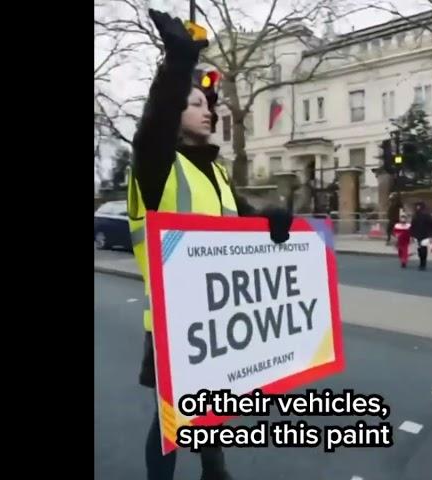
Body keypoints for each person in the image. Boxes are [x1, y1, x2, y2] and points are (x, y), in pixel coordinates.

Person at [126, 10, 293, 480]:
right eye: (195, 102)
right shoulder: (157, 167)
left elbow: (245, 221)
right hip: (172, 325)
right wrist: (178, 62)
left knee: (210, 415)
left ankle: (215, 473)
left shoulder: (215, 173)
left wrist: (274, 221)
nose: (210, 109)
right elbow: (153, 125)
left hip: (215, 323)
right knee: (171, 424)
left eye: (211, 103)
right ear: (175, 116)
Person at [410, 201, 432, 271]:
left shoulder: (427, 215)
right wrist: (411, 235)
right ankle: (421, 261)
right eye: (416, 206)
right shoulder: (415, 215)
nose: (417, 207)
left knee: (423, 249)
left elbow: (431, 225)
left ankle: (423, 263)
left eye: (418, 206)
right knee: (419, 250)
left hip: (425, 235)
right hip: (417, 235)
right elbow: (412, 226)